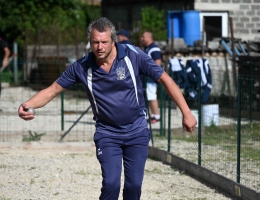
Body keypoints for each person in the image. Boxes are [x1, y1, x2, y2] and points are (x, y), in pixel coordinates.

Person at [18, 17, 196, 200]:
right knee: (111, 184)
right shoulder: (81, 67)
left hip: (137, 131)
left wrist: (187, 112)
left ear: (113, 41)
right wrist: (28, 104)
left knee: (134, 186)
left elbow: (165, 79)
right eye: (95, 42)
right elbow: (52, 90)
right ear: (90, 42)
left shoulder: (133, 56)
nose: (100, 47)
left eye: (104, 42)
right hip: (107, 133)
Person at [141, 31, 162, 124]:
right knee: (149, 96)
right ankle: (153, 115)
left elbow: (158, 62)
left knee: (152, 95)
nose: (142, 38)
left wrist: (155, 75)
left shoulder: (154, 48)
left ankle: (156, 116)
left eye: (143, 36)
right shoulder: (147, 48)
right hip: (146, 77)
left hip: (151, 77)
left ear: (149, 37)